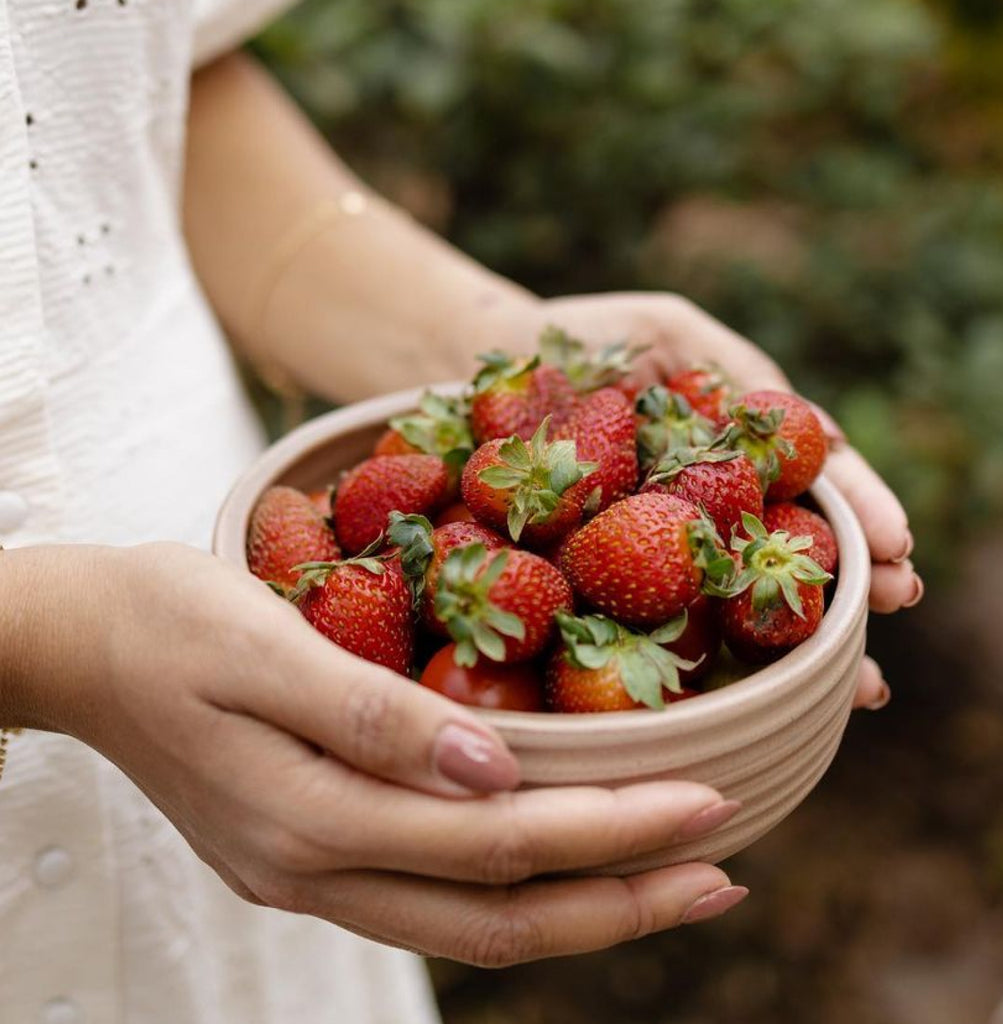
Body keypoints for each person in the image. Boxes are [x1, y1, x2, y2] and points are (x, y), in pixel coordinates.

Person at [0, 1, 923, 1022]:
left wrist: (473, 331)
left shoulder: (462, 532)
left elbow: (143, 94)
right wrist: (50, 641)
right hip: (215, 661)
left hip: (252, 670)